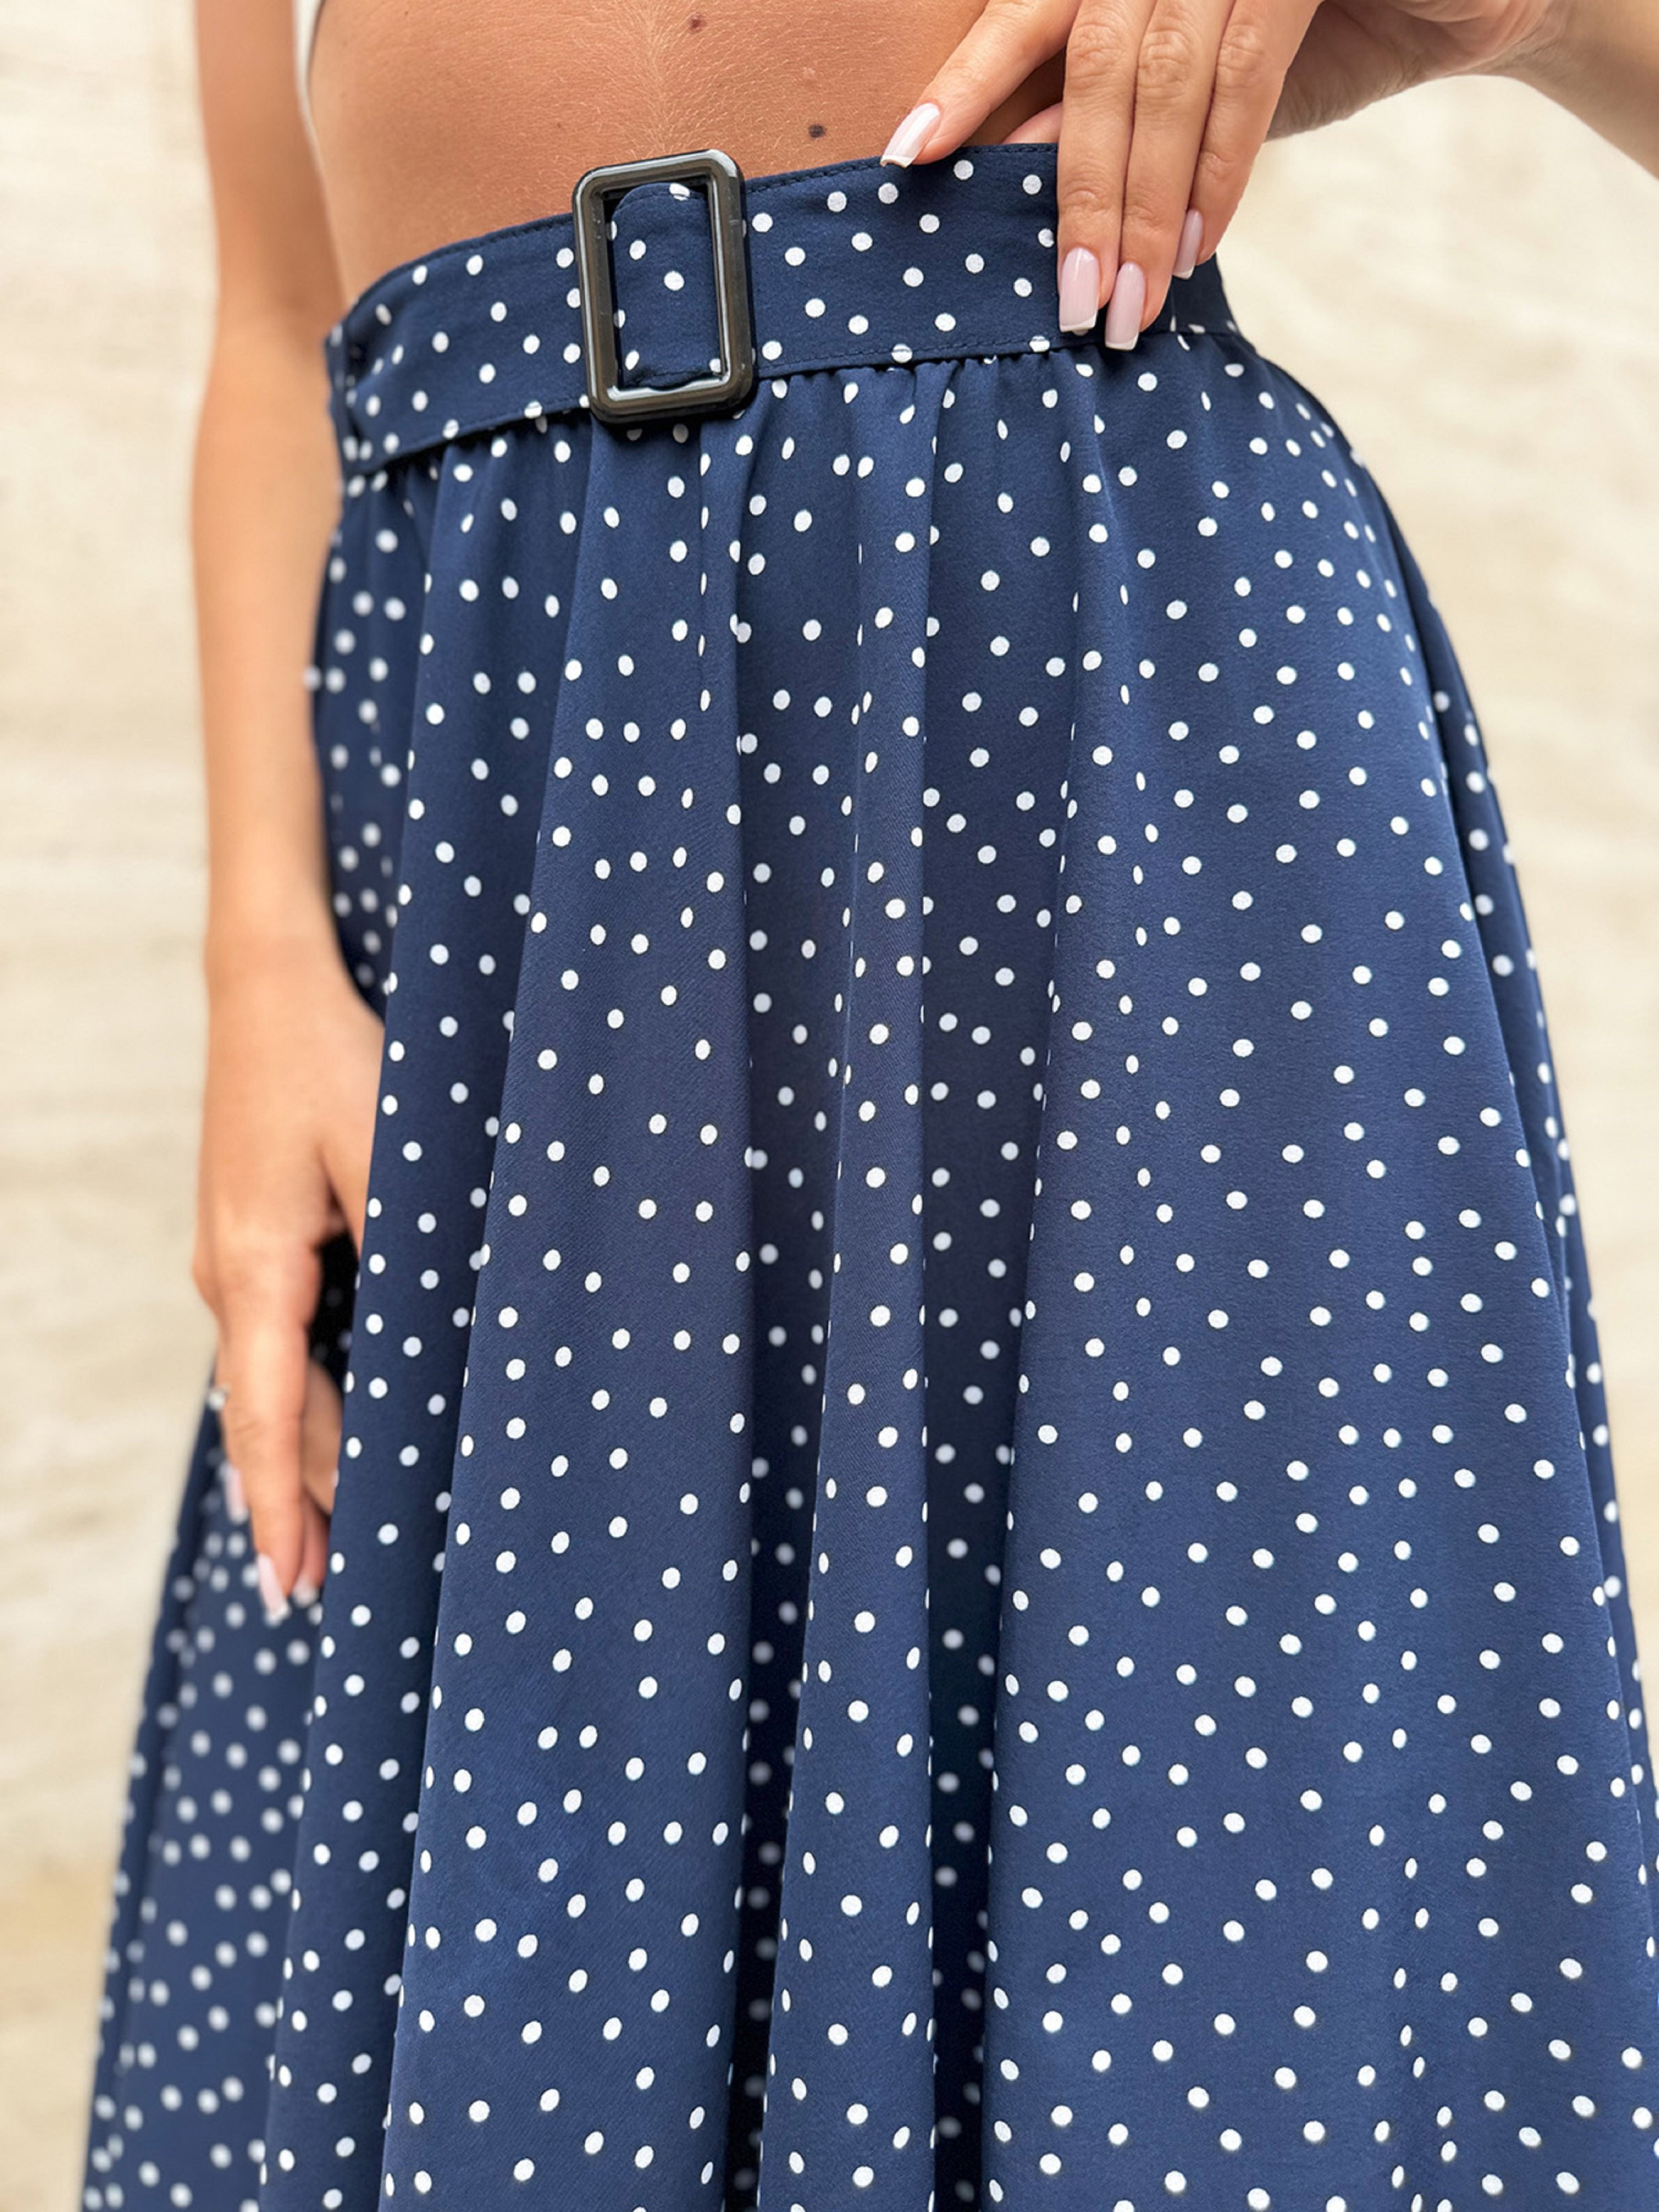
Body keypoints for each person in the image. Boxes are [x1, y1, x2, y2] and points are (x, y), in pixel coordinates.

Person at [81, 0, 1659, 2206]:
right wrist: (261, 959)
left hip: (1097, 744)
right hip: (511, 869)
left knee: (1187, 1855)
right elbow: (276, 327)